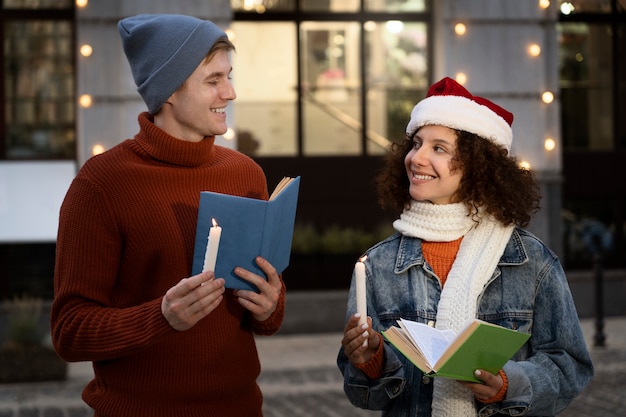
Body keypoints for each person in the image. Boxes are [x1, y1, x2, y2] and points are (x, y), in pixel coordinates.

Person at [51, 14, 285, 417]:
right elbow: (70, 332)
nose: (230, 92)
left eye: (229, 76)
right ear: (169, 90)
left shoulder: (246, 173)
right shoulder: (102, 184)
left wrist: (270, 306)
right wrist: (160, 317)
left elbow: (264, 315)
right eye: (213, 80)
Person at [337, 77, 593, 417]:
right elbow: (365, 397)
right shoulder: (376, 265)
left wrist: (506, 384)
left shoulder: (530, 260)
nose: (417, 158)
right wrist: (369, 361)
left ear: (476, 166)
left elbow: (569, 366)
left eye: (438, 148)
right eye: (416, 144)